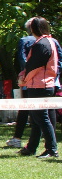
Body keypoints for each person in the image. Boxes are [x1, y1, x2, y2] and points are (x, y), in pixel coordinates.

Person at [18, 16, 58, 159]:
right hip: (43, 84)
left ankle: (51, 149)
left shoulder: (42, 44)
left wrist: (23, 79)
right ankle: (31, 148)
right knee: (36, 119)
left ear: (33, 29)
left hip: (40, 85)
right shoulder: (50, 41)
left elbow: (34, 66)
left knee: (41, 118)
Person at [7, 20, 38, 148]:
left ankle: (17, 138)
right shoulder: (50, 41)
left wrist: (25, 75)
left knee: (24, 109)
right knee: (44, 111)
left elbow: (21, 59)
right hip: (45, 81)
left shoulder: (24, 40)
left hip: (28, 81)